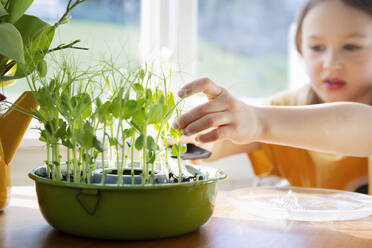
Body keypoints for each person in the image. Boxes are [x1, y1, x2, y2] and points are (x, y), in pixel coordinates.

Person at [172, 0, 372, 193]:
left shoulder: (270, 117)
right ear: (300, 48)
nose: (330, 63)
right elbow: (217, 143)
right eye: (316, 47)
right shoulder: (286, 106)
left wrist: (259, 121)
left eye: (352, 47)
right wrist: (188, 131)